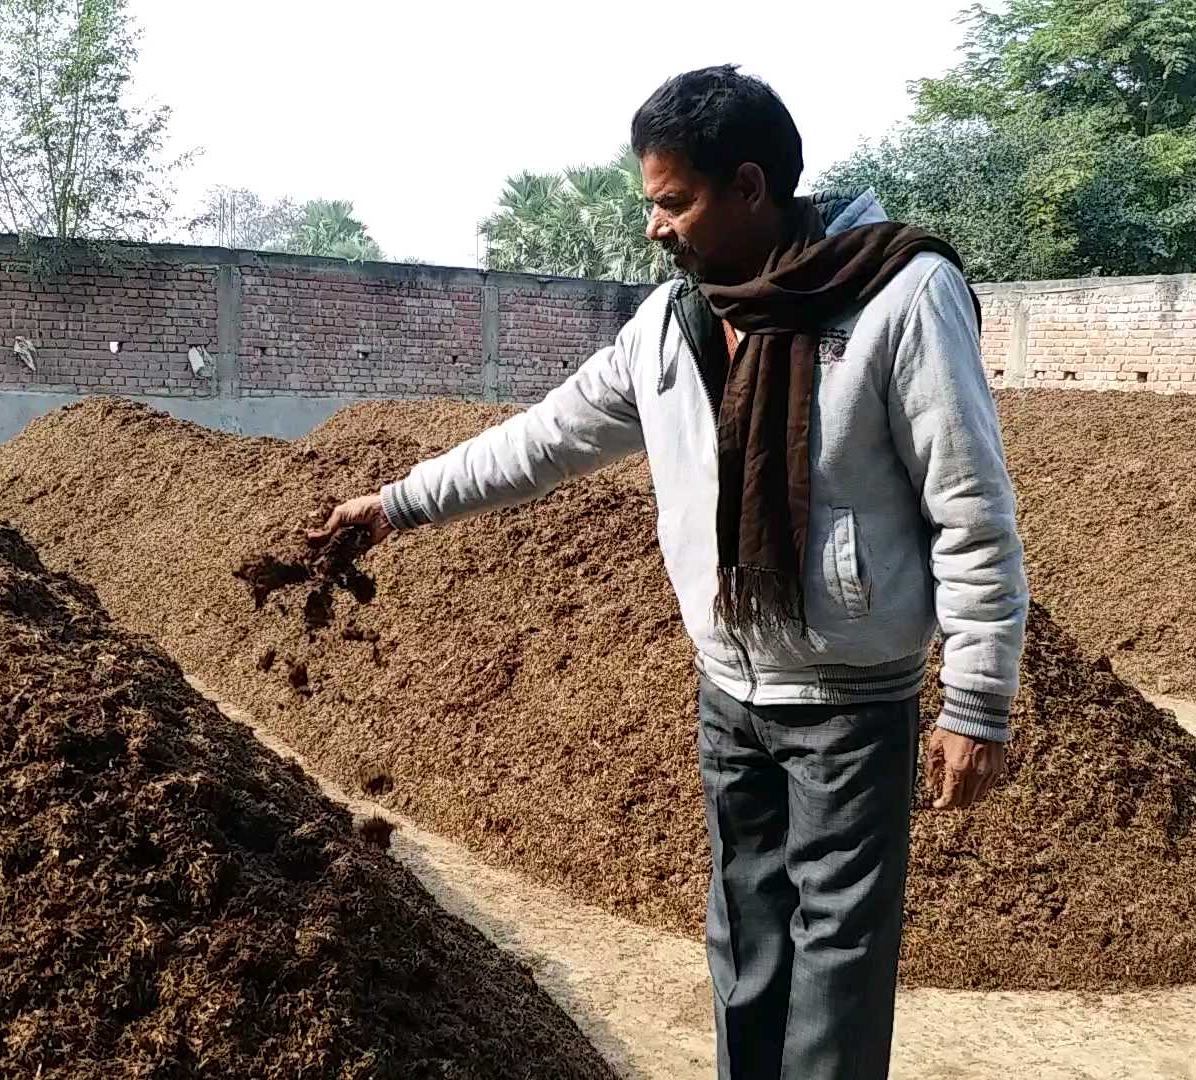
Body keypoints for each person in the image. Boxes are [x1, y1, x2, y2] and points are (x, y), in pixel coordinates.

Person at [311, 64, 1026, 1080]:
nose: (655, 226)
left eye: (672, 201)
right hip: (729, 691)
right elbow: (542, 440)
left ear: (748, 187)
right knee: (745, 941)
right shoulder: (673, 325)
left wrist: (980, 698)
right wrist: (396, 503)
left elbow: (971, 507)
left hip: (853, 699)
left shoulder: (900, 298)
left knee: (839, 959)